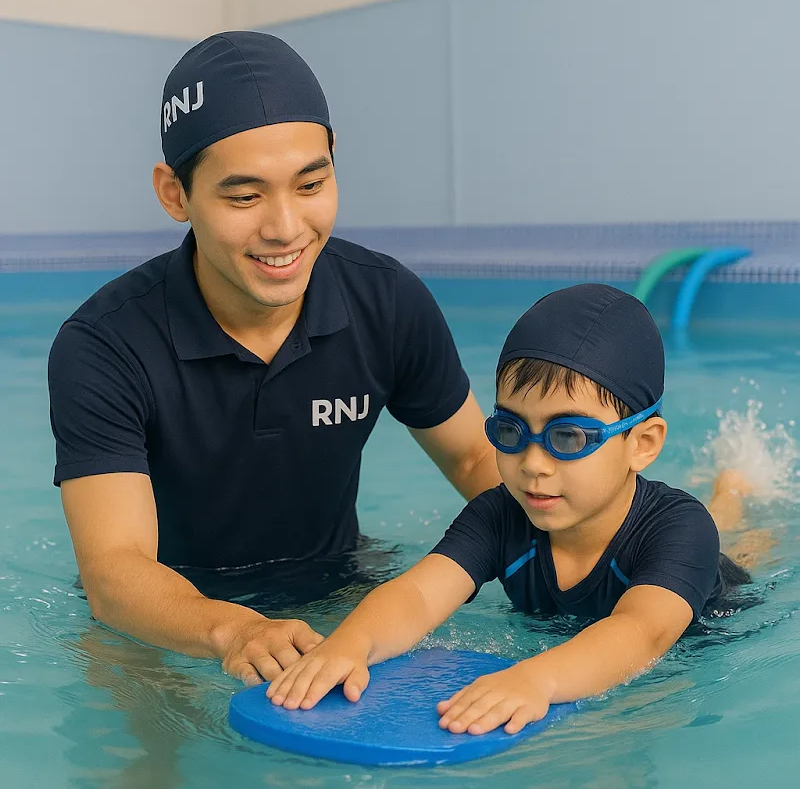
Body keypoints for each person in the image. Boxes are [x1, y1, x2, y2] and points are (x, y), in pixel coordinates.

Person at [47, 32, 500, 685]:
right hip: (168, 619)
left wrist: (590, 543)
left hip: (341, 589)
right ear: (175, 194)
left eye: (311, 183)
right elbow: (115, 572)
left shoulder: (386, 302)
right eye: (244, 197)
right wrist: (232, 629)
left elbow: (473, 458)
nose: (286, 228)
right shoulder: (106, 345)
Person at [266, 283, 765, 736]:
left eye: (568, 437)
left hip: (713, 600)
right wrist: (351, 643)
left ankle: (733, 490)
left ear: (642, 444)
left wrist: (536, 679)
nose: (532, 464)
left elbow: (642, 633)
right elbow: (418, 595)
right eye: (510, 430)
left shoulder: (679, 530)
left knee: (735, 541)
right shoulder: (501, 515)